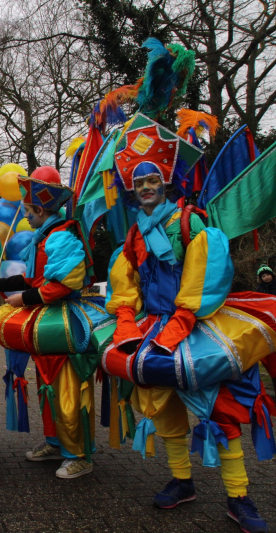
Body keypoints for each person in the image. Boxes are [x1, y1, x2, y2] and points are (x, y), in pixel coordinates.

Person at [98, 113, 276, 533]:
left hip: (198, 323)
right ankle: (182, 482)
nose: (145, 188)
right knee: (165, 409)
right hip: (154, 326)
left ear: (166, 182)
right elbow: (126, 281)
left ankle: (239, 496)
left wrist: (183, 318)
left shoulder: (189, 221)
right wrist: (126, 318)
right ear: (131, 189)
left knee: (221, 410)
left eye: (152, 179)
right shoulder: (134, 236)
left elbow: (207, 268)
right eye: (138, 182)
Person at [0, 166, 107, 479]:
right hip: (48, 322)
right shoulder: (44, 236)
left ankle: (79, 455)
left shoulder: (61, 237)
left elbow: (64, 284)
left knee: (67, 390)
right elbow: (32, 278)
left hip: (66, 323)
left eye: (29, 210)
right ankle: (54, 442)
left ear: (38, 209)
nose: (26, 215)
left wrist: (25, 300)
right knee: (47, 386)